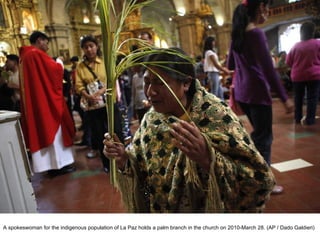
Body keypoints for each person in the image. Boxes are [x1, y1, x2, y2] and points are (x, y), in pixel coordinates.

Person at [103, 47, 275, 213]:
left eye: (159, 83)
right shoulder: (152, 119)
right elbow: (142, 172)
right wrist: (124, 158)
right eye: (147, 82)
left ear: (186, 83)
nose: (150, 92)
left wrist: (207, 159)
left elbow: (259, 180)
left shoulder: (215, 115)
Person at [227, 0, 294, 194]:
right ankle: (263, 182)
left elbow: (231, 64)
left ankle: (248, 171)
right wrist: (284, 97)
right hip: (257, 92)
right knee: (264, 138)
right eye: (264, 7)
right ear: (257, 9)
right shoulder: (255, 33)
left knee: (259, 135)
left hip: (242, 93)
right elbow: (269, 69)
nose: (267, 11)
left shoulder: (237, 35)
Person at [19, 31, 76, 176]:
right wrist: (59, 61)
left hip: (37, 102)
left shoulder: (24, 57)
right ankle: (59, 165)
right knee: (53, 130)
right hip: (46, 103)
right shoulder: (35, 54)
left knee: (43, 131)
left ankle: (51, 166)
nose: (47, 46)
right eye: (46, 42)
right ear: (39, 40)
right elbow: (55, 72)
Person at [75, 35, 124, 172]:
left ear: (97, 46)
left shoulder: (105, 62)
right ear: (83, 50)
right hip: (93, 106)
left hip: (108, 102)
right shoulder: (80, 67)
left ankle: (122, 160)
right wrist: (88, 96)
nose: (89, 49)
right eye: (86, 47)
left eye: (91, 46)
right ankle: (107, 164)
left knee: (115, 130)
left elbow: (112, 79)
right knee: (99, 134)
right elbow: (78, 86)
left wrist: (98, 93)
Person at [286, 21, 320, 126]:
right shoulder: (317, 43)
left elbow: (288, 61)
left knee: (298, 98)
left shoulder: (295, 46)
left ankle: (297, 118)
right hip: (314, 75)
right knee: (312, 97)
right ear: (313, 32)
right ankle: (310, 120)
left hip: (298, 76)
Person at [203, 36, 231, 100]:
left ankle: (223, 106)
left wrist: (223, 69)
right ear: (210, 42)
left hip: (216, 73)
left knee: (220, 91)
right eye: (213, 41)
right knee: (214, 92)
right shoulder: (209, 52)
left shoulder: (212, 52)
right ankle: (213, 107)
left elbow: (217, 64)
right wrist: (224, 70)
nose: (214, 43)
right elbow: (216, 64)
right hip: (212, 73)